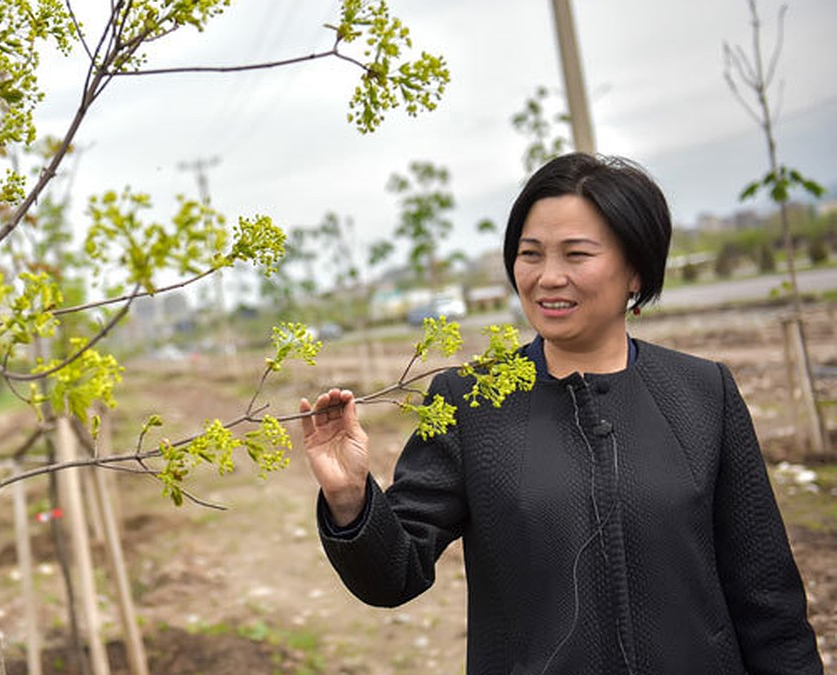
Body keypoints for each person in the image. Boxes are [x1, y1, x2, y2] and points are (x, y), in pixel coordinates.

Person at [299, 153, 823, 674]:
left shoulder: (703, 392)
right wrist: (350, 500)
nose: (548, 277)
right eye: (531, 254)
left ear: (636, 269)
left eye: (577, 254)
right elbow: (395, 573)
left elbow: (767, 597)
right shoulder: (471, 400)